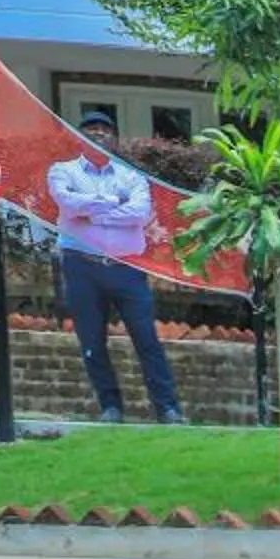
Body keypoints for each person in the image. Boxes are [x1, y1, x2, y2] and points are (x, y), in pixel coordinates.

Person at [47, 115, 186, 425]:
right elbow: (68, 206)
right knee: (92, 341)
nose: (99, 135)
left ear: (115, 139)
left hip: (127, 268)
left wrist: (91, 214)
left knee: (146, 339)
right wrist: (112, 203)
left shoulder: (131, 177)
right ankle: (110, 408)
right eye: (91, 131)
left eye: (105, 131)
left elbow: (139, 212)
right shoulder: (61, 171)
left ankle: (168, 408)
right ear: (78, 138)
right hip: (81, 267)